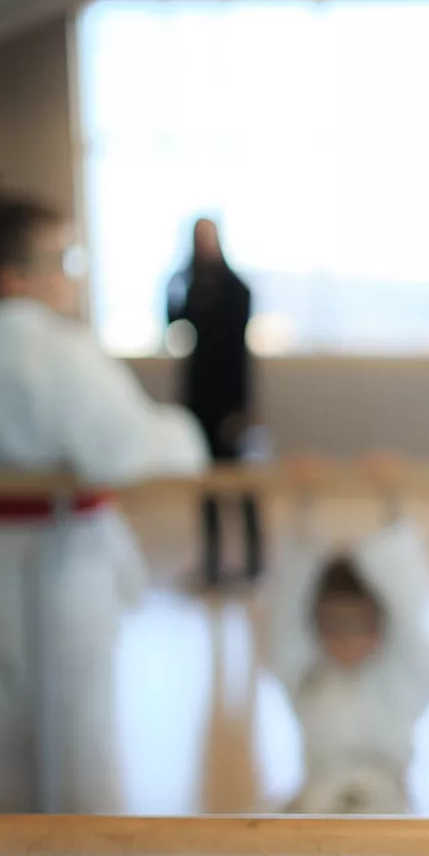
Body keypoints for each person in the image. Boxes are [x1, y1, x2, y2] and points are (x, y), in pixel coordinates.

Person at [0, 189, 207, 812]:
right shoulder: (57, 352)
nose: (71, 276)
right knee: (74, 732)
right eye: (60, 259)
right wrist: (183, 437)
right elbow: (123, 447)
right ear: (14, 277)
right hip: (62, 561)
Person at [263, 455, 429, 815]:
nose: (345, 639)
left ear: (380, 624)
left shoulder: (402, 674)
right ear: (316, 627)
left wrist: (390, 496)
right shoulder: (308, 675)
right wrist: (304, 500)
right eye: (333, 626)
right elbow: (290, 598)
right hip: (318, 801)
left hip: (387, 801)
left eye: (358, 625)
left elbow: (407, 596)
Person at [168, 217, 261, 587]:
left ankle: (253, 563)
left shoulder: (234, 288)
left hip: (230, 399)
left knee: (241, 482)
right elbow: (175, 324)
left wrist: (242, 408)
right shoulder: (188, 283)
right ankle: (211, 563)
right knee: (204, 484)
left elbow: (237, 351)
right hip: (198, 398)